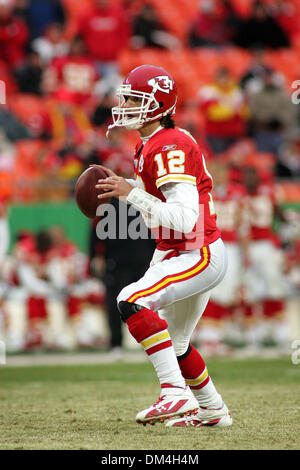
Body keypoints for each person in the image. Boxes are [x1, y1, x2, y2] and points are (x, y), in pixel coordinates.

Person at [94, 65, 232, 427]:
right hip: (181, 249)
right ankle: (213, 409)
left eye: (133, 98)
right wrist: (127, 185)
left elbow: (186, 219)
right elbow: (161, 202)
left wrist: (132, 194)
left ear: (156, 104)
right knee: (178, 342)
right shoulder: (152, 143)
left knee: (131, 299)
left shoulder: (169, 144)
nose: (124, 104)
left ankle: (174, 393)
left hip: (197, 249)